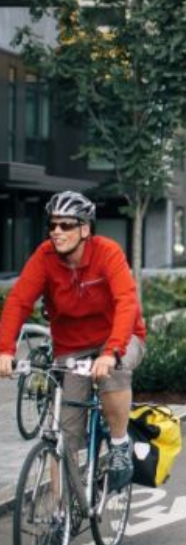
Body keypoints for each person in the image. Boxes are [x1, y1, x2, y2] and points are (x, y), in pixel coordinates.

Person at [0, 191, 145, 491]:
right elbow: (18, 302)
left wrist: (111, 351)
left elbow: (126, 301)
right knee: (64, 433)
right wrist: (5, 349)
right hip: (72, 348)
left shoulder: (107, 252)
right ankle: (58, 516)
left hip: (119, 338)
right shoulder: (45, 256)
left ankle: (119, 445)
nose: (56, 231)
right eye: (53, 225)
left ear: (85, 229)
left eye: (66, 225)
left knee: (113, 374)